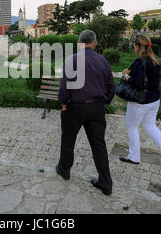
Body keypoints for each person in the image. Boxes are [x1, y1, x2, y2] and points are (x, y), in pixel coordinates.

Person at [56, 30, 116, 196]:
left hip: (75, 107)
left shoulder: (72, 60)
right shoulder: (103, 61)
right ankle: (106, 182)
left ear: (79, 44)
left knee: (68, 140)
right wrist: (104, 102)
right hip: (97, 108)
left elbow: (64, 86)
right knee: (99, 146)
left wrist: (63, 103)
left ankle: (64, 170)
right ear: (95, 43)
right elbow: (112, 87)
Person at [120, 34, 161, 170]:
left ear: (137, 46)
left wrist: (126, 77)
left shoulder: (140, 62)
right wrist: (130, 72)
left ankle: (134, 157)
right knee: (151, 127)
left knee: (132, 127)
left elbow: (137, 82)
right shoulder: (155, 60)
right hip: (154, 100)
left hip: (140, 102)